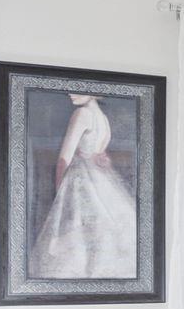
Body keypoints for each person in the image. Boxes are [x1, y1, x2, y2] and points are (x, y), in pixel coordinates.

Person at [32, 92, 137, 278]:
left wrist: (59, 195)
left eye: (78, 90)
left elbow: (64, 159)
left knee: (75, 238)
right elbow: (99, 154)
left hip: (81, 180)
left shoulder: (82, 114)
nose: (71, 93)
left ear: (94, 92)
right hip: (102, 182)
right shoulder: (104, 120)